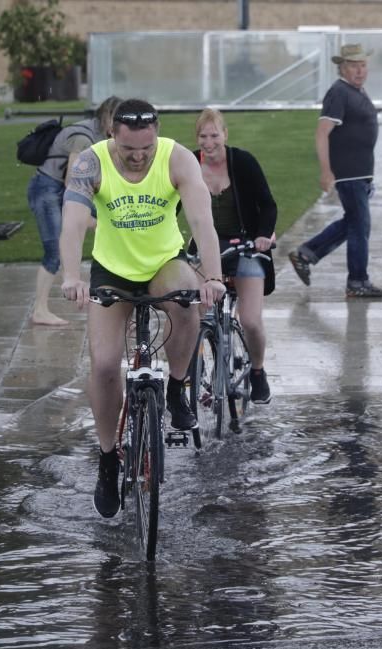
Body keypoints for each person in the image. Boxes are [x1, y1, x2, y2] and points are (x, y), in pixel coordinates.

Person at [59, 99, 227, 518]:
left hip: (163, 264)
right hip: (113, 271)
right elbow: (73, 223)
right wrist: (70, 276)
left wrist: (213, 276)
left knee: (187, 300)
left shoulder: (178, 159)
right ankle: (107, 458)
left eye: (145, 150)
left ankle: (175, 386)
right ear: (112, 134)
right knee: (102, 364)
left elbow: (202, 221)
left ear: (158, 137)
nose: (137, 158)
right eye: (128, 150)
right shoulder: (90, 163)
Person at [190, 108, 277, 404]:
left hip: (245, 244)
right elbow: (169, 204)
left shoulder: (242, 162)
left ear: (225, 135)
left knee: (251, 320)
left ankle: (257, 371)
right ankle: (199, 372)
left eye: (214, 135)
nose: (209, 142)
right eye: (203, 136)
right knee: (193, 313)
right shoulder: (189, 163)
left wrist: (264, 235)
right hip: (205, 245)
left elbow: (268, 204)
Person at [287, 43, 382, 298]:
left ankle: (305, 254)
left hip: (360, 173)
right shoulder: (339, 93)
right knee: (360, 226)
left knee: (353, 223)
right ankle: (357, 281)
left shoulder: (356, 91)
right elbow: (322, 133)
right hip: (348, 173)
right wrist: (326, 171)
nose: (360, 70)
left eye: (363, 65)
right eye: (354, 66)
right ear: (342, 67)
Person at [27, 96, 121, 325]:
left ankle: (119, 299)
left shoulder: (101, 135)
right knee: (54, 250)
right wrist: (87, 218)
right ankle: (39, 309)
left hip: (60, 190)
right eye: (116, 119)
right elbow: (73, 181)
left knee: (119, 227)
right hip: (47, 190)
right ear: (106, 116)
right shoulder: (84, 137)